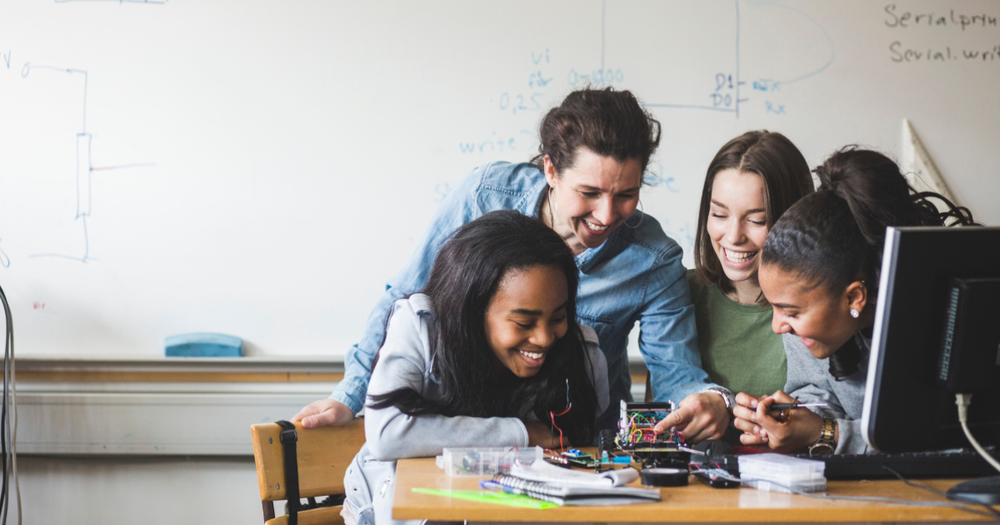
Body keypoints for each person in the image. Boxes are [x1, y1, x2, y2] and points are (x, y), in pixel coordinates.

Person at [294, 87, 732, 440]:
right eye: (589, 193)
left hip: (575, 444)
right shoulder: (483, 197)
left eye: (625, 195)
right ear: (551, 170)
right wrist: (350, 395)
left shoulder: (654, 259)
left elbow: (677, 375)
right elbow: (404, 300)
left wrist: (708, 401)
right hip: (463, 433)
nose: (605, 215)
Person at [342, 211, 609, 525]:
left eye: (558, 317)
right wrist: (524, 433)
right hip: (406, 507)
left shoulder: (581, 355)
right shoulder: (420, 328)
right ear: (472, 310)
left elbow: (580, 448)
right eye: (524, 322)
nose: (545, 338)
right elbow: (388, 433)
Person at [731, 146, 974, 455]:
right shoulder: (806, 326)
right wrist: (795, 420)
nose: (778, 325)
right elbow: (820, 393)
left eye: (790, 312)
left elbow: (946, 441)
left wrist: (827, 434)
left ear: (855, 297)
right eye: (775, 306)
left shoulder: (943, 322)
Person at [686, 131, 813, 398]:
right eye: (719, 214)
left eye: (756, 220)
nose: (733, 237)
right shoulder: (680, 293)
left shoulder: (818, 307)